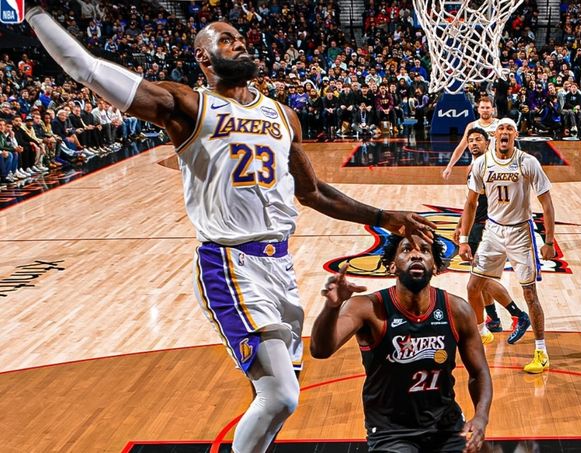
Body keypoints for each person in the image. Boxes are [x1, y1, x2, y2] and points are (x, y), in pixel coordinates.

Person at [26, 8, 437, 453]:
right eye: (224, 39)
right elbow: (86, 69)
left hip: (280, 267)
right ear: (203, 57)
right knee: (280, 395)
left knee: (278, 400)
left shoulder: (282, 116)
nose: (238, 42)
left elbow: (313, 192)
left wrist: (383, 216)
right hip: (228, 262)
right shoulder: (187, 105)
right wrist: (34, 11)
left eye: (239, 37)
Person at [311, 234, 492, 453]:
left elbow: (479, 372)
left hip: (446, 427)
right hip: (391, 432)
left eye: (425, 250)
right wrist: (331, 308)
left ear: (435, 266)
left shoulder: (457, 310)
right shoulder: (367, 307)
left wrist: (481, 417)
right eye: (406, 249)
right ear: (391, 266)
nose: (416, 255)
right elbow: (320, 350)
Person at [458, 118, 556, 374]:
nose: (505, 132)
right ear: (495, 135)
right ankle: (482, 333)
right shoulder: (482, 163)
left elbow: (546, 203)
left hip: (520, 232)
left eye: (509, 129)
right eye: (501, 128)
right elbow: (470, 203)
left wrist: (548, 241)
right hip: (493, 230)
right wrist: (463, 239)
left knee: (530, 294)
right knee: (473, 286)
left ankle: (541, 352)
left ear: (515, 135)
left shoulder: (528, 162)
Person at [453, 128, 531, 345]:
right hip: (477, 225)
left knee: (480, 280)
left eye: (478, 140)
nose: (473, 143)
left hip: (487, 227)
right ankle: (494, 319)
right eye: (470, 140)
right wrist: (461, 225)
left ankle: (516, 314)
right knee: (481, 279)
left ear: (488, 143)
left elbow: (483, 202)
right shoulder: (474, 166)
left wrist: (469, 231)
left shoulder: (491, 165)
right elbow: (470, 203)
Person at [443, 97, 498, 180]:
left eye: (487, 107)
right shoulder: (472, 126)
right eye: (482, 107)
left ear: (492, 109)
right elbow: (461, 147)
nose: (485, 110)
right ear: (478, 109)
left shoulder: (499, 124)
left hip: (495, 166)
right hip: (477, 167)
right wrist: (449, 166)